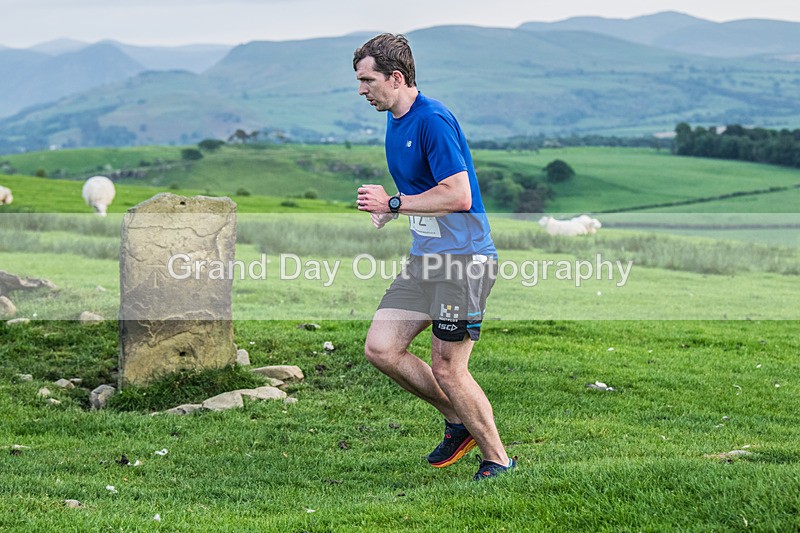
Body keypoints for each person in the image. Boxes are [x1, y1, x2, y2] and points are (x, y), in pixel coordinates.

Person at [353, 33, 515, 480]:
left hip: (463, 261)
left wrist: (393, 204)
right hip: (426, 258)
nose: (362, 90)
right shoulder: (396, 117)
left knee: (448, 366)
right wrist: (395, 210)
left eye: (368, 81)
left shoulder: (433, 120)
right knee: (381, 348)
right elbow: (427, 191)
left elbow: (459, 194)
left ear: (396, 77)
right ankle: (459, 421)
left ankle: (498, 459)